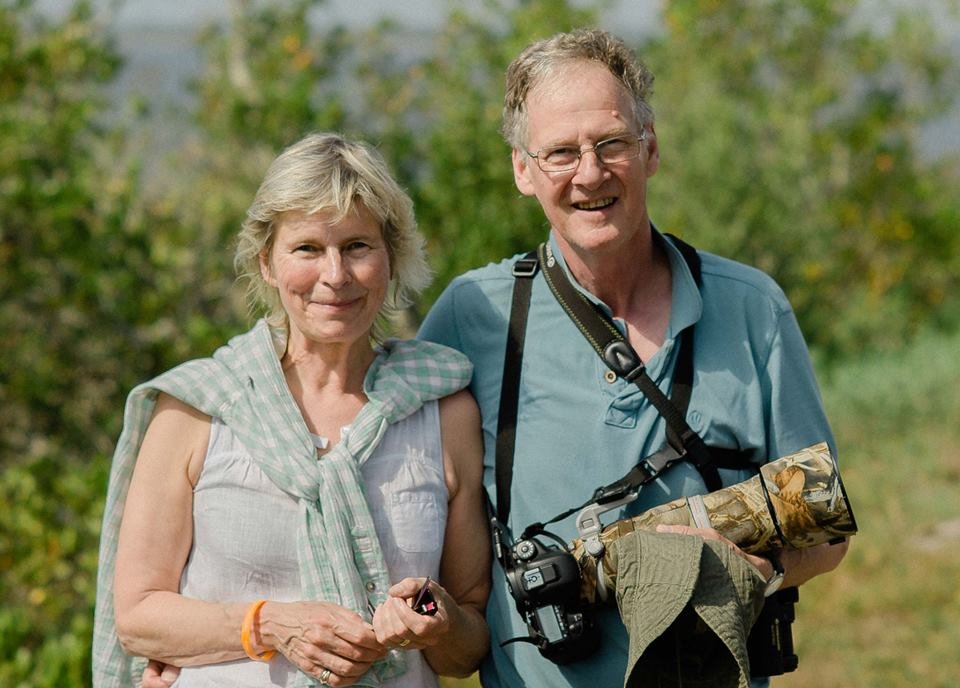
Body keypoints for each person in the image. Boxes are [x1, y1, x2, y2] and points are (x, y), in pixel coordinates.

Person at [417, 28, 849, 687]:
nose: (589, 173)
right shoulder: (473, 316)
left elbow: (823, 527)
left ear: (650, 150)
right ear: (522, 170)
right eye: (560, 153)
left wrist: (751, 572)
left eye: (610, 143)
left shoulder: (751, 307)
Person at [92, 132, 490, 688]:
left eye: (357, 247)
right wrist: (272, 625)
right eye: (307, 248)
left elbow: (465, 645)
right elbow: (136, 619)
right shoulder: (199, 408)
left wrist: (434, 619)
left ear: (391, 258)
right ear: (268, 263)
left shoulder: (443, 413)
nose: (335, 276)